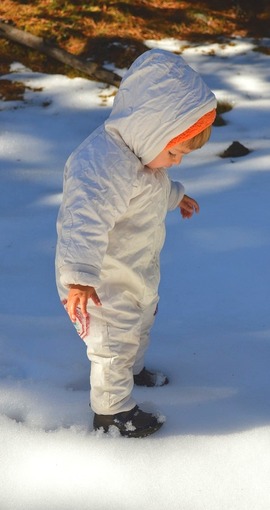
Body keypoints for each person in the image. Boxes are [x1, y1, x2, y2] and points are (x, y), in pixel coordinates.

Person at [55, 49, 216, 438]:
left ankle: (133, 370)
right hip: (101, 282)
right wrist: (79, 276)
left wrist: (177, 196)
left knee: (141, 325)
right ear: (151, 129)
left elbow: (151, 190)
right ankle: (111, 413)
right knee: (114, 342)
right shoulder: (100, 165)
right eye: (175, 152)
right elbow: (82, 220)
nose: (176, 162)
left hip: (137, 271)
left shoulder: (143, 156)